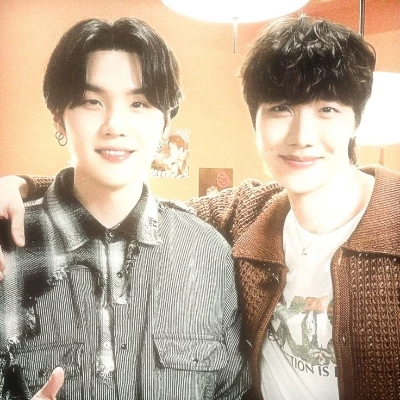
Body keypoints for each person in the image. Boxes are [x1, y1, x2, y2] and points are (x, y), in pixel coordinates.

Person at [1, 15, 400, 400]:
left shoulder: (209, 246)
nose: (302, 136)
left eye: (328, 109)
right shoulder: (246, 217)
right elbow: (114, 201)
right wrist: (20, 187)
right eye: (280, 108)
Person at [0, 17, 250, 399]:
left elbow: (233, 391)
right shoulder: (7, 249)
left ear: (165, 126)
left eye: (139, 103)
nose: (114, 125)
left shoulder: (207, 251)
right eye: (92, 101)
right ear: (59, 119)